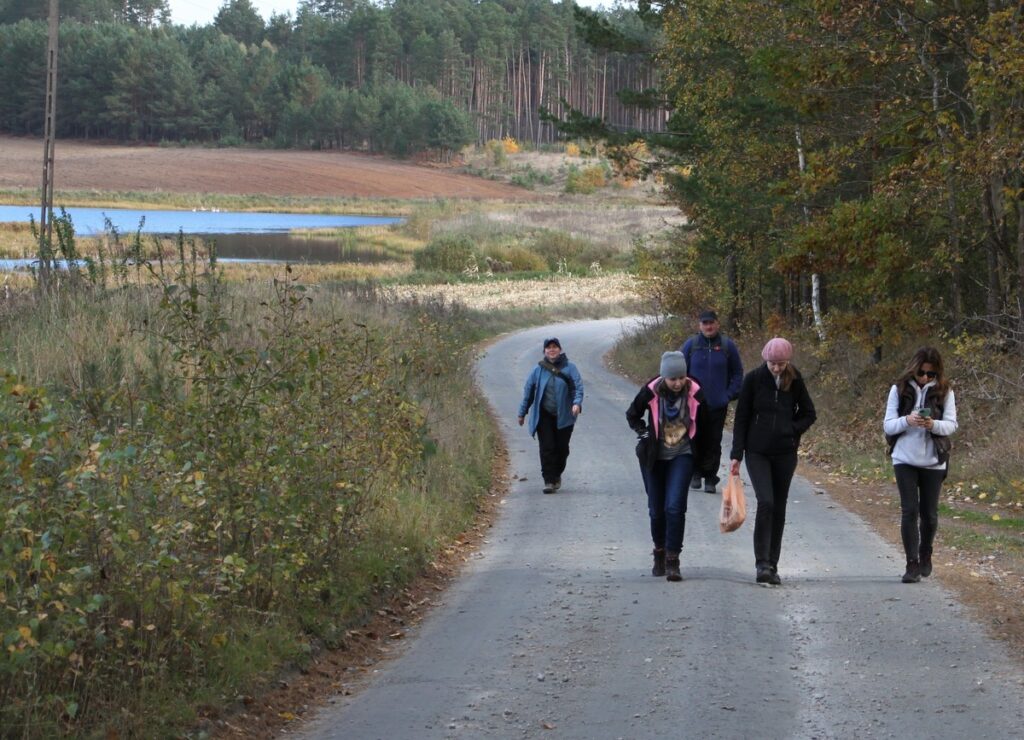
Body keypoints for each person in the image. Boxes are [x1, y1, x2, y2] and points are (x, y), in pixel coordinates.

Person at [729, 337, 816, 585]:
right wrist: (737, 454)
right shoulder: (754, 379)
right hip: (757, 452)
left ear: (787, 361)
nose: (776, 368)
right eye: (772, 363)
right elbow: (741, 417)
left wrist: (792, 429)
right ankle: (761, 563)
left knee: (779, 507)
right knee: (765, 502)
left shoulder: (795, 379)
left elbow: (810, 413)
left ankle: (773, 564)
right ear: (765, 360)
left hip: (785, 453)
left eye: (781, 363)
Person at [626, 351, 709, 582]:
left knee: (674, 507)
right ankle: (659, 552)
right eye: (673, 379)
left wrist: (705, 461)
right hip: (654, 457)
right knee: (656, 510)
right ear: (664, 377)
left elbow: (708, 426)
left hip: (682, 455)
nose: (677, 383)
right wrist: (644, 434)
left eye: (681, 378)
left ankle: (673, 559)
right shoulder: (651, 391)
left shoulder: (695, 392)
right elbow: (632, 414)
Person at [883, 347, 958, 583]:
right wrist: (907, 420)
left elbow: (951, 425)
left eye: (931, 374)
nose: (925, 378)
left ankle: (926, 551)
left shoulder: (945, 392)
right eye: (921, 373)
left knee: (930, 515)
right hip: (904, 458)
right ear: (913, 369)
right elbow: (888, 425)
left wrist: (931, 425)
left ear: (937, 374)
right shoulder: (899, 389)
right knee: (909, 510)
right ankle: (911, 563)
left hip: (933, 461)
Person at [680, 309, 744, 493]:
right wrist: (683, 394)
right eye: (705, 323)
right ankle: (695, 473)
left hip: (717, 404)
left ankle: (710, 477)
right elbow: (678, 370)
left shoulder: (727, 346)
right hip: (693, 404)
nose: (708, 326)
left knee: (713, 441)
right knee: (693, 438)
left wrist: (728, 394)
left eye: (711, 323)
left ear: (717, 324)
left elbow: (737, 373)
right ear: (699, 325)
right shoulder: (691, 345)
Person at [518, 337, 584, 493]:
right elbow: (528, 393)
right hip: (544, 415)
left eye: (555, 347)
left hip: (565, 416)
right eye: (548, 348)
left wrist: (576, 403)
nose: (552, 350)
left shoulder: (570, 368)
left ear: (560, 350)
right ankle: (548, 480)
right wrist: (522, 413)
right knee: (547, 448)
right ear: (544, 351)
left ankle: (556, 475)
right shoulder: (538, 370)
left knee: (562, 449)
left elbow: (577, 388)